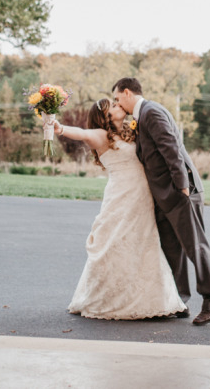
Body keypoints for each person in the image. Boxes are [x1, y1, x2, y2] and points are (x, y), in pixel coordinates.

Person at [54, 99, 186, 320]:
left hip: (142, 197)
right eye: (113, 107)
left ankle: (153, 299)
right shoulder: (101, 135)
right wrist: (60, 128)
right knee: (116, 241)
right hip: (121, 196)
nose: (118, 106)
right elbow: (82, 133)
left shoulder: (130, 130)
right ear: (105, 117)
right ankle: (111, 298)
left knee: (144, 242)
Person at [111, 77, 210, 326]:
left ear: (127, 92)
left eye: (118, 98)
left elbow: (171, 148)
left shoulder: (151, 112)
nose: (118, 103)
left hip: (180, 191)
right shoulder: (141, 117)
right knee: (173, 249)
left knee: (195, 246)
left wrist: (183, 186)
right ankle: (178, 300)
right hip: (165, 195)